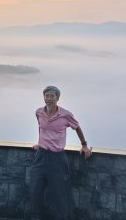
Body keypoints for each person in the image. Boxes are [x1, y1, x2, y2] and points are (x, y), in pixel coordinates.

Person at [30, 85, 92, 220]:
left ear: (57, 98)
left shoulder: (66, 115)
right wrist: (39, 143)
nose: (49, 98)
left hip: (57, 158)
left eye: (52, 96)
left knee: (59, 195)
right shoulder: (39, 112)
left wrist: (84, 145)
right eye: (46, 96)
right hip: (40, 157)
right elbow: (41, 128)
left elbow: (77, 127)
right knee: (35, 191)